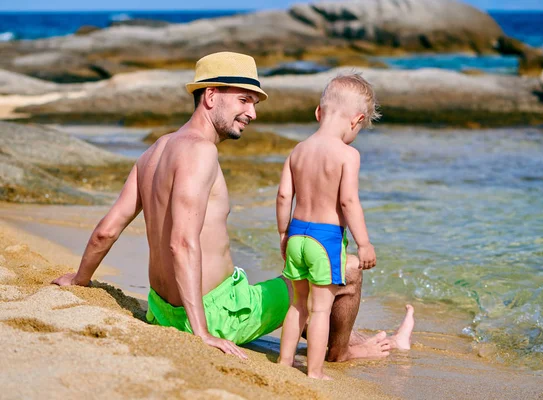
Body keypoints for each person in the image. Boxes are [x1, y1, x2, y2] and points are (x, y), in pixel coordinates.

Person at [52, 52, 414, 361]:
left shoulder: (155, 151)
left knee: (300, 285)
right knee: (344, 271)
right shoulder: (200, 152)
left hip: (162, 311)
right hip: (216, 315)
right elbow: (182, 242)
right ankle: (342, 354)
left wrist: (80, 279)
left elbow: (107, 229)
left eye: (253, 104)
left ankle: (361, 340)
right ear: (210, 95)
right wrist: (202, 332)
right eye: (243, 100)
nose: (252, 114)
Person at [276, 73, 411, 379]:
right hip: (325, 240)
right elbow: (349, 202)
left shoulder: (298, 150)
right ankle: (314, 370)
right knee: (320, 309)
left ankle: (284, 363)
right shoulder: (347, 155)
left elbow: (284, 194)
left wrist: (283, 232)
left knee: (298, 304)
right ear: (357, 120)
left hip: (297, 234)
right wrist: (364, 244)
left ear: (318, 112)